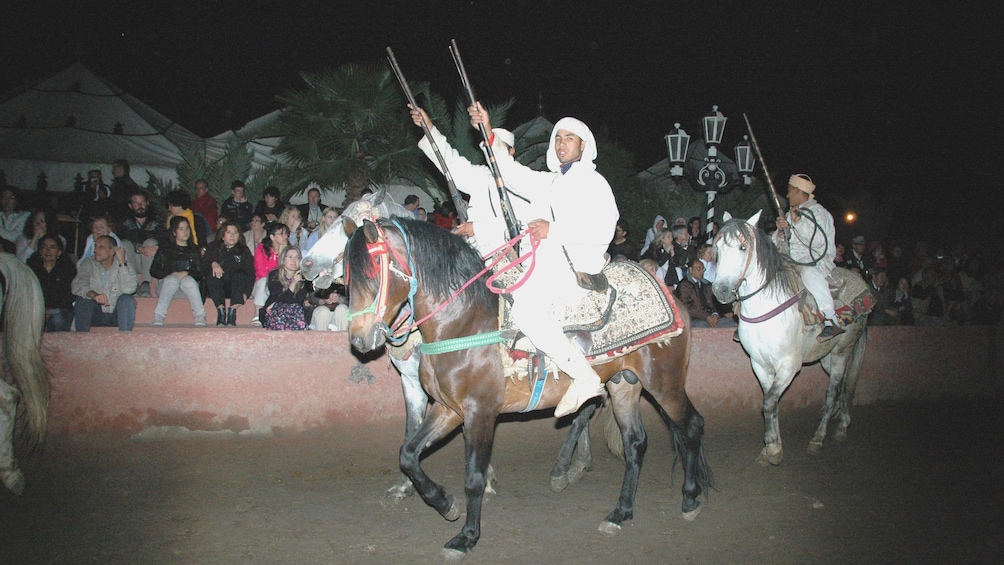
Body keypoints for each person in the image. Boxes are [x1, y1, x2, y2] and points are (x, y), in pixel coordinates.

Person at [469, 102, 618, 418]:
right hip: (547, 266)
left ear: (583, 146)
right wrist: (487, 131)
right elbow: (511, 172)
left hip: (577, 268)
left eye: (570, 138)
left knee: (526, 311)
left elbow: (604, 226)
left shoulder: (595, 182)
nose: (562, 143)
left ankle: (584, 377)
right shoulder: (551, 181)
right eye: (559, 138)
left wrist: (554, 229)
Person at [409, 104, 526, 258]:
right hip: (478, 258)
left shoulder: (523, 179)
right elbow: (450, 162)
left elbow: (523, 224)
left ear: (511, 151)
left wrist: (477, 229)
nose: (494, 153)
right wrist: (429, 127)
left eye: (499, 147)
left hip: (514, 261)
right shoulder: (481, 176)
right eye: (489, 148)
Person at [773, 174, 841, 340]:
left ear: (797, 191)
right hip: (790, 261)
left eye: (789, 191)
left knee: (808, 274)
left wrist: (797, 224)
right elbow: (777, 242)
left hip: (815, 262)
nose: (787, 195)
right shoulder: (790, 214)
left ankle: (831, 319)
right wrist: (781, 231)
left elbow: (819, 242)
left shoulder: (820, 214)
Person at [71, 235, 137, 331]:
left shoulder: (124, 265)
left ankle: (125, 338)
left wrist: (122, 263)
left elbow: (129, 289)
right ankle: (81, 339)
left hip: (116, 315)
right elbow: (77, 284)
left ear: (112, 251)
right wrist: (93, 294)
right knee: (83, 298)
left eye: (101, 247)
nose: (95, 250)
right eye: (95, 246)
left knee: (127, 299)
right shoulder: (89, 263)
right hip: (95, 313)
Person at [149, 216, 207, 326]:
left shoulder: (194, 249)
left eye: (187, 228)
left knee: (188, 280)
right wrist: (171, 273)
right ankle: (159, 315)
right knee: (172, 280)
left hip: (187, 290)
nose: (185, 232)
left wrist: (186, 273)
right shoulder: (165, 249)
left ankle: (200, 315)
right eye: (181, 229)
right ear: (174, 232)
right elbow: (154, 271)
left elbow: (201, 273)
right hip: (167, 288)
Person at [204, 221, 255, 326]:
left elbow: (250, 274)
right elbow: (203, 267)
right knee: (212, 274)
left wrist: (247, 292)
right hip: (218, 287)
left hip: (236, 288)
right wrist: (212, 263)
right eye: (229, 232)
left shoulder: (244, 250)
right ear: (222, 235)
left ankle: (232, 311)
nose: (232, 235)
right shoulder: (213, 247)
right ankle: (221, 311)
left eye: (235, 233)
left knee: (239, 274)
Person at [117, 189, 164, 297]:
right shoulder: (124, 222)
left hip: (150, 261)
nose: (140, 205)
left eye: (142, 202)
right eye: (136, 203)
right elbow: (124, 237)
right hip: (132, 260)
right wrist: (139, 247)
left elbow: (164, 239)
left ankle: (146, 283)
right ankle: (133, 282)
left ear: (147, 203)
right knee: (124, 243)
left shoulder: (157, 221)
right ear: (130, 205)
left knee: (151, 242)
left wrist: (157, 247)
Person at [27, 235, 76, 331]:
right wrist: (42, 308)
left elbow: (69, 295)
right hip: (35, 308)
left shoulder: (67, 268)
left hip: (60, 308)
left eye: (52, 247)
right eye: (44, 247)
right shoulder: (31, 267)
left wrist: (50, 309)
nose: (48, 250)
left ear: (59, 252)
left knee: (58, 319)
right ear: (40, 251)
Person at [675, 258, 736, 328]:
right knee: (702, 326)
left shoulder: (707, 284)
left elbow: (715, 302)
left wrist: (718, 314)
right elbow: (687, 307)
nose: (701, 271)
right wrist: (706, 317)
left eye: (703, 269)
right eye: (699, 269)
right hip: (695, 318)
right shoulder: (684, 285)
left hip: (711, 317)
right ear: (690, 270)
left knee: (731, 322)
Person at [261, 247, 312, 330]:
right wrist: (293, 283)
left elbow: (298, 301)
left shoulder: (303, 277)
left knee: (295, 308)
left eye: (297, 257)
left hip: (295, 312)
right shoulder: (274, 275)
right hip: (276, 312)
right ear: (283, 259)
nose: (294, 261)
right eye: (290, 257)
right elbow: (278, 299)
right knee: (282, 310)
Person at [251, 222, 290, 327]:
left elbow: (287, 271)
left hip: (280, 284)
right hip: (262, 284)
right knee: (264, 281)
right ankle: (257, 313)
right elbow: (260, 270)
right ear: (272, 236)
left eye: (286, 234)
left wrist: (283, 253)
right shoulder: (262, 248)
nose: (285, 236)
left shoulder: (289, 250)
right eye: (281, 234)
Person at [0, 186, 30, 253]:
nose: (6, 200)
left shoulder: (24, 216)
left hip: (17, 254)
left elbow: (12, 237)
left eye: (11, 197)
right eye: (3, 197)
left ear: (17, 200)